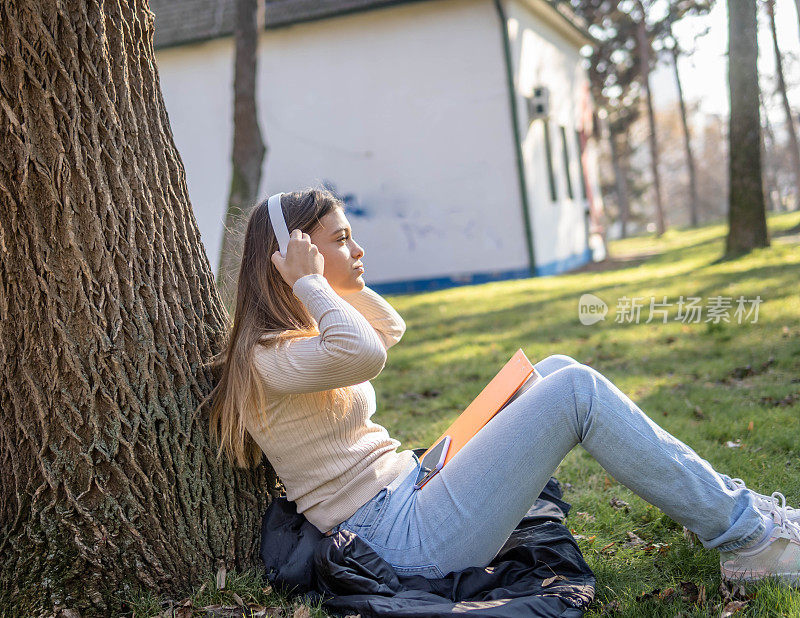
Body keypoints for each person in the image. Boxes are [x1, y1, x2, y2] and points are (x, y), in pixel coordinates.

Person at [202, 187, 800, 586]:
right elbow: (364, 353)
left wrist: (336, 278)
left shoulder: (299, 336)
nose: (358, 250)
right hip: (398, 539)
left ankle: (740, 515)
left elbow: (388, 328)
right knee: (577, 393)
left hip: (412, 486)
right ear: (291, 257)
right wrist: (311, 283)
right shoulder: (267, 358)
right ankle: (749, 540)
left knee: (559, 369)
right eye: (339, 241)